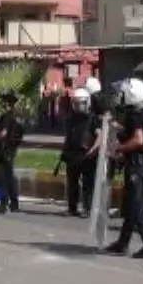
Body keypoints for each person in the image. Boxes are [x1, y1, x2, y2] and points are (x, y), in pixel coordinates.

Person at [104, 78, 143, 260]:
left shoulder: (135, 114)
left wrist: (119, 149)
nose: (120, 96)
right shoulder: (142, 112)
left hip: (138, 164)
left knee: (136, 206)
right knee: (130, 204)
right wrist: (113, 126)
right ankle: (122, 243)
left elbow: (138, 139)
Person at [62, 87, 100, 217]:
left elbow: (100, 136)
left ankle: (87, 208)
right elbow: (68, 135)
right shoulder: (71, 119)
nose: (78, 106)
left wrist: (93, 150)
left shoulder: (92, 118)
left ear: (87, 102)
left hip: (87, 155)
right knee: (72, 182)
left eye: (81, 103)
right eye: (76, 103)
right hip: (73, 154)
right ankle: (72, 207)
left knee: (88, 184)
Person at [0, 90, 24, 214]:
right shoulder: (17, 115)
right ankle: (14, 204)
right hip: (11, 149)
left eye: (3, 102)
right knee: (10, 177)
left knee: (0, 177)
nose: (1, 104)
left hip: (4, 149)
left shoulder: (7, 116)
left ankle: (3, 203)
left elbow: (3, 134)